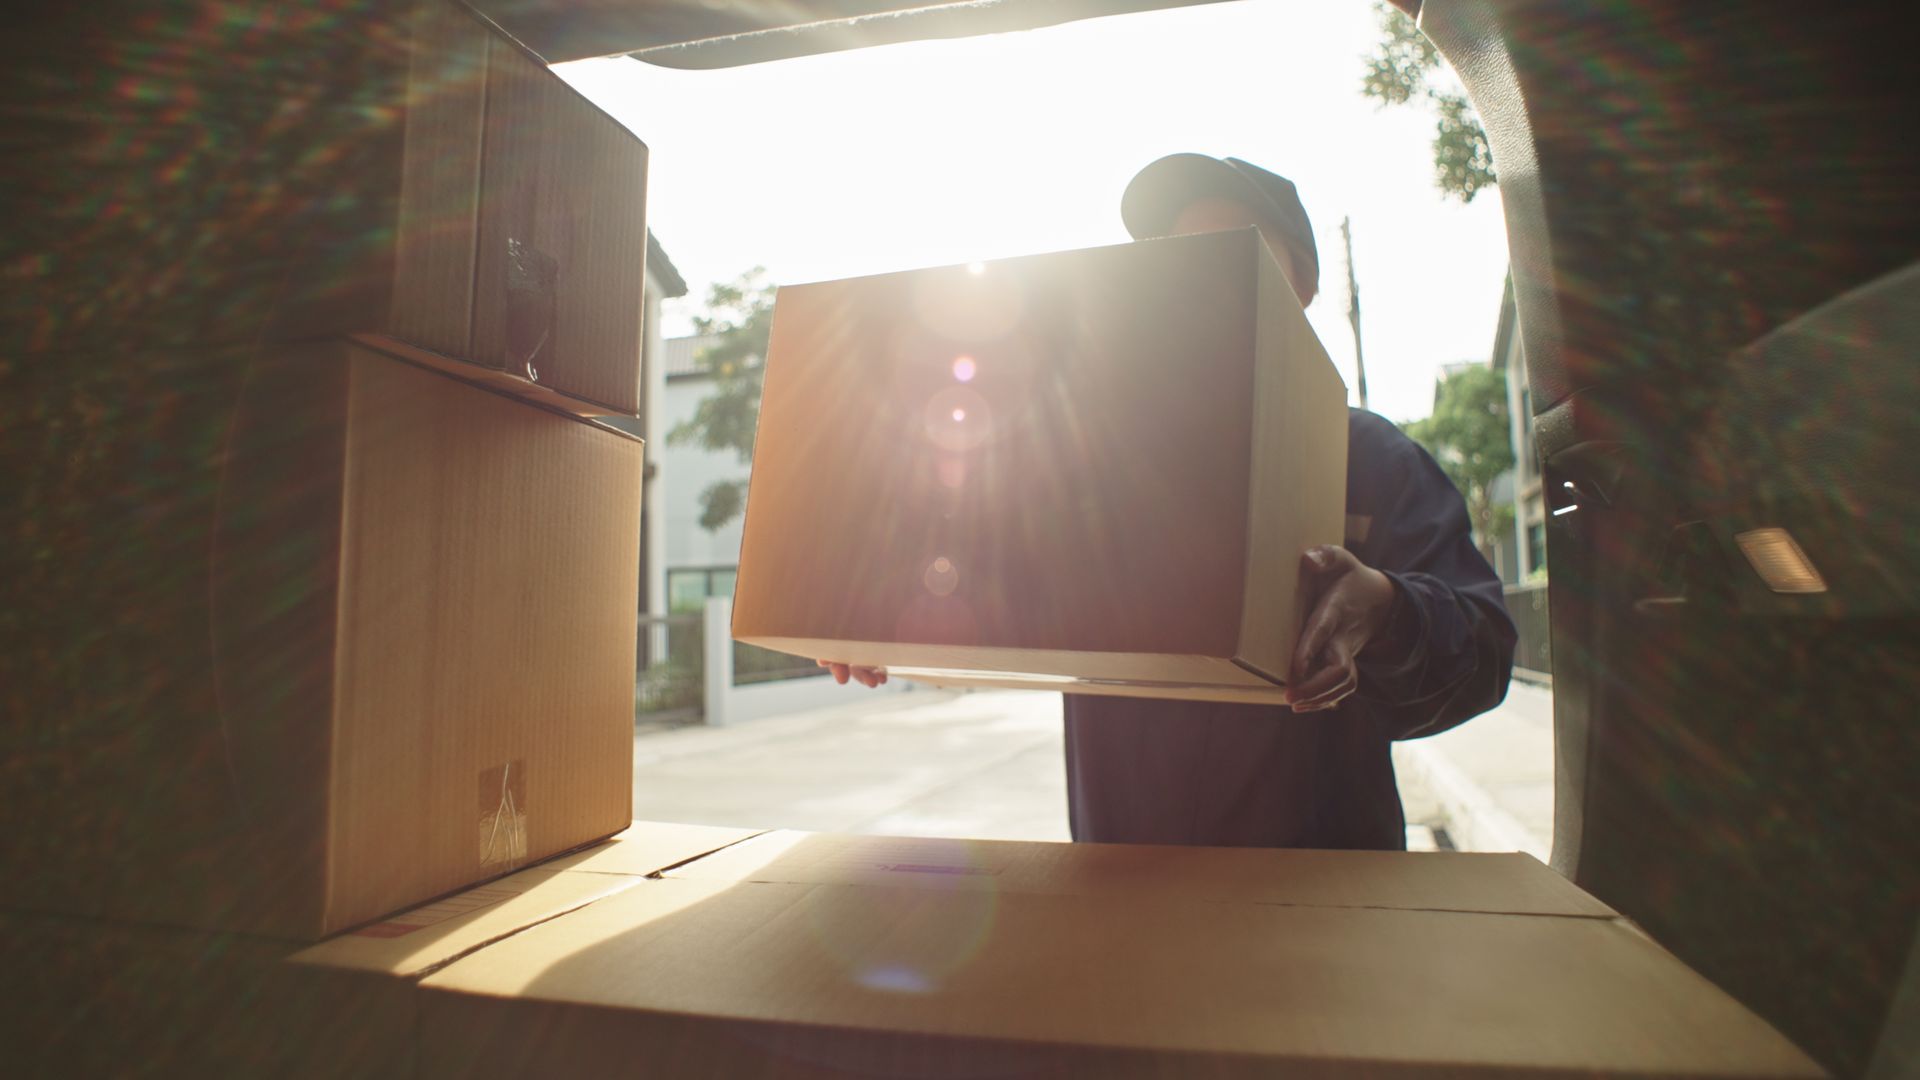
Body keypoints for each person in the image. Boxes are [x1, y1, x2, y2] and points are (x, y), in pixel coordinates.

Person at [822, 153, 1517, 851]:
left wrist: (1390, 612)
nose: (1195, 274)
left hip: (1323, 890)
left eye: (1234, 246)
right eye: (1172, 255)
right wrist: (879, 623)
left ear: (1300, 284)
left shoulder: (1366, 456)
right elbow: (987, 587)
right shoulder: (1088, 464)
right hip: (1122, 883)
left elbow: (1486, 651)